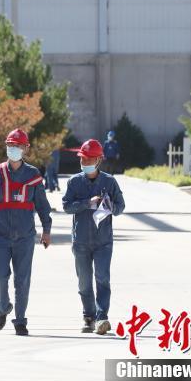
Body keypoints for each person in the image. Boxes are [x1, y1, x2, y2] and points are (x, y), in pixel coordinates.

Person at [0, 129, 52, 336]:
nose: (13, 149)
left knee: (22, 280)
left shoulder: (33, 175)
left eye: (17, 146)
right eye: (10, 145)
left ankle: (20, 321)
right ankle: (2, 307)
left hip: (25, 236)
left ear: (26, 149)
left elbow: (43, 205)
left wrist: (47, 230)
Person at [61, 138, 126, 335]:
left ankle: (101, 317)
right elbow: (66, 206)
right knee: (84, 281)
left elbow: (120, 207)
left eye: (89, 160)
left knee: (102, 278)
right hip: (80, 240)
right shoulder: (74, 182)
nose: (85, 164)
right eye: (83, 160)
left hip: (103, 241)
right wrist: (86, 203)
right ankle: (88, 315)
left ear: (98, 160)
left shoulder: (109, 182)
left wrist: (109, 206)